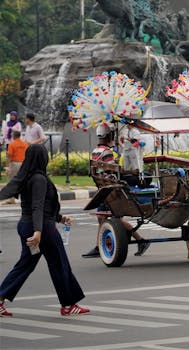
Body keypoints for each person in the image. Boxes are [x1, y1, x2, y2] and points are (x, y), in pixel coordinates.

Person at [0, 144, 90, 317]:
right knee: (59, 264)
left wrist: (60, 218)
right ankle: (69, 305)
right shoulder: (39, 179)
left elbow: (42, 206)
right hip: (42, 229)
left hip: (26, 225)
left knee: (25, 265)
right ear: (43, 158)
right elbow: (38, 207)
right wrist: (38, 232)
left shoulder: (25, 177)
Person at [83, 124, 150, 258]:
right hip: (110, 188)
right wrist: (131, 171)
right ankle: (140, 241)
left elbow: (112, 170)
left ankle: (139, 241)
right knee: (107, 218)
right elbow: (116, 171)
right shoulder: (107, 152)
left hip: (106, 188)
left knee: (108, 218)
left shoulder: (96, 150)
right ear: (109, 136)